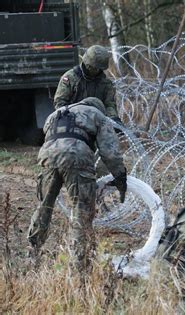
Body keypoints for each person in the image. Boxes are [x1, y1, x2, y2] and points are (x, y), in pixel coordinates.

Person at [27, 97, 127, 272]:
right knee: (81, 209)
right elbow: (110, 152)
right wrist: (120, 176)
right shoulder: (98, 115)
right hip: (77, 156)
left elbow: (47, 134)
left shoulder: (55, 114)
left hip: (48, 155)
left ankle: (32, 252)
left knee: (44, 206)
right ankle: (79, 263)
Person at [53, 45, 122, 124]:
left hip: (97, 120)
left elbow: (109, 105)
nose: (96, 70)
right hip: (72, 119)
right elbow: (60, 102)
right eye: (94, 67)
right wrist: (70, 116)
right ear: (87, 64)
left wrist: (113, 118)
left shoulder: (105, 83)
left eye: (99, 69)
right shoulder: (70, 78)